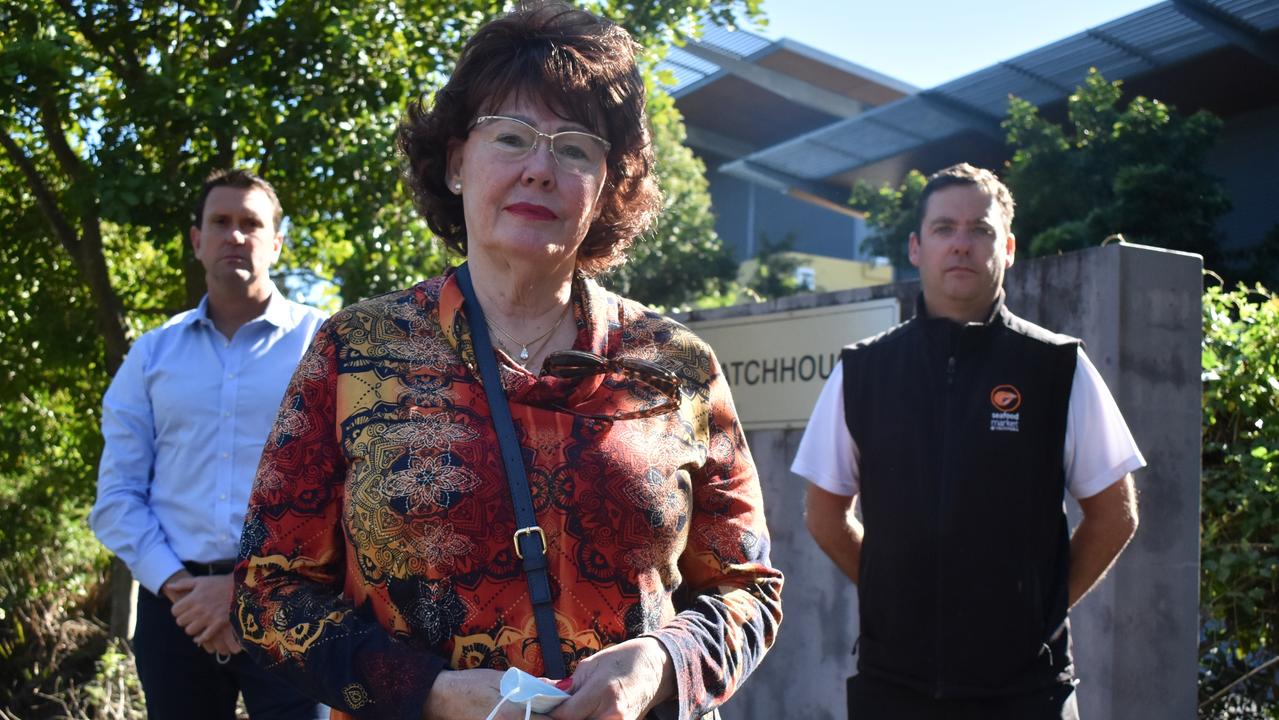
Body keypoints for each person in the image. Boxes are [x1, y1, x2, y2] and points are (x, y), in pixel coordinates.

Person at [230, 5, 783, 720]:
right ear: (457, 161)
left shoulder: (674, 365)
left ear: (609, 185)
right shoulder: (353, 352)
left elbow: (748, 588)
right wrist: (423, 692)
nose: (539, 169)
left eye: (575, 148)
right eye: (512, 136)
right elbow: (269, 588)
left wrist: (663, 663)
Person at [792, 163, 1144, 719]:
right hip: (894, 690)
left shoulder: (1057, 367)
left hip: (1027, 693)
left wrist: (1035, 614)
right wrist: (897, 601)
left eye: (979, 230)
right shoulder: (864, 370)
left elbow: (1115, 516)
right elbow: (823, 515)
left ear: (1007, 247)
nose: (961, 244)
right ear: (915, 247)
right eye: (944, 229)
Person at [91, 169, 326, 719]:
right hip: (176, 614)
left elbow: (348, 487)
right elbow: (117, 497)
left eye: (251, 223)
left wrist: (244, 589)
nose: (235, 236)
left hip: (295, 605)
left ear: (277, 241)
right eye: (220, 222)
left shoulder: (325, 344)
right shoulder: (150, 356)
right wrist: (181, 589)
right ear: (197, 240)